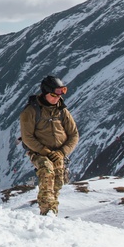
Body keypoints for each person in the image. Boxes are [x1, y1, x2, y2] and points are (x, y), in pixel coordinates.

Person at [20, 75, 79, 216]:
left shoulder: (62, 110)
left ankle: (52, 210)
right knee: (47, 172)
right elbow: (27, 137)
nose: (57, 98)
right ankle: (47, 212)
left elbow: (74, 134)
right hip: (39, 152)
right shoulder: (31, 111)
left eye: (60, 94)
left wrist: (62, 152)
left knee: (58, 181)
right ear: (45, 93)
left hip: (58, 152)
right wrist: (44, 151)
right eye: (53, 95)